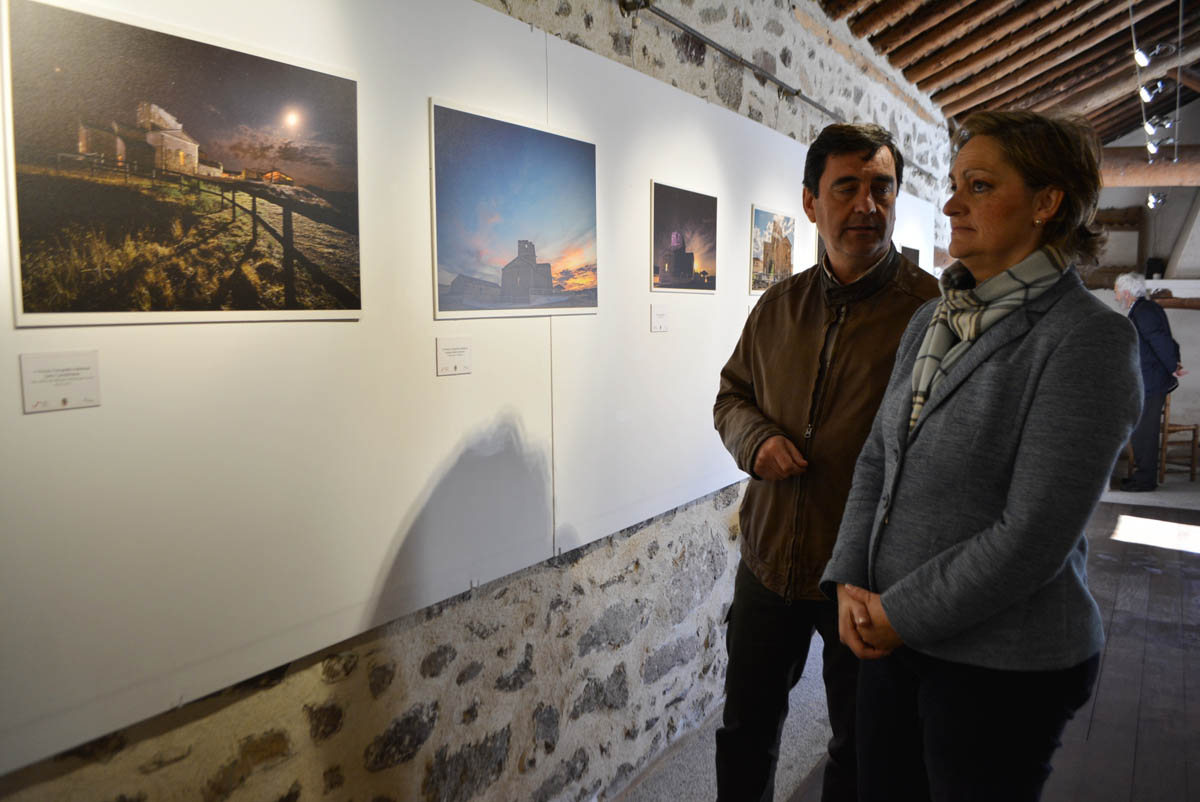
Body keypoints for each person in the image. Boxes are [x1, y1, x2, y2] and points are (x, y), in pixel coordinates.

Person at [821, 110, 1143, 801]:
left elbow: (1032, 537)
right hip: (894, 638)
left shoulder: (1086, 340)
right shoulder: (933, 318)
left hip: (1001, 664)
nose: (949, 203)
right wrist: (851, 576)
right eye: (956, 183)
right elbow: (878, 457)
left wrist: (899, 612)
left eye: (978, 185)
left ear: (1046, 203)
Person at [712, 123, 938, 802]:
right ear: (811, 203)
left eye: (882, 188)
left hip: (866, 576)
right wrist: (754, 441)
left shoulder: (930, 314)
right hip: (770, 561)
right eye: (848, 188)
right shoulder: (779, 306)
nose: (868, 205)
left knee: (863, 746)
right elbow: (732, 395)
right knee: (746, 727)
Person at [1115, 271, 1185, 491]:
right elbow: (1168, 341)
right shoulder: (1147, 309)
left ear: (1127, 293)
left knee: (1145, 432)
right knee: (1142, 430)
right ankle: (1140, 477)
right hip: (1149, 381)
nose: (1117, 298)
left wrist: (1173, 366)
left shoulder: (1144, 311)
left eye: (1118, 294)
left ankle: (1145, 481)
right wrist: (1175, 362)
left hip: (1150, 382)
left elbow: (1160, 340)